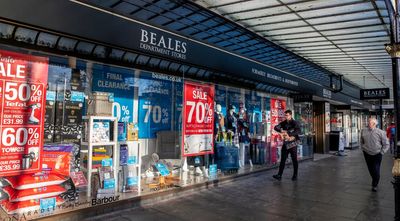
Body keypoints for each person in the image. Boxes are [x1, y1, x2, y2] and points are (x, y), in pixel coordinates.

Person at [361, 117, 389, 192]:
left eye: (370, 122)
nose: (368, 124)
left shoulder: (381, 132)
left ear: (374, 124)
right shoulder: (363, 130)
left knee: (376, 170)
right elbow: (362, 140)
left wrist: (382, 152)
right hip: (366, 153)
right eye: (368, 122)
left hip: (377, 154)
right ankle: (374, 180)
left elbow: (386, 144)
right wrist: (363, 148)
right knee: (370, 169)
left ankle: (375, 184)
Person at [272, 110, 301, 181]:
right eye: (285, 115)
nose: (286, 116)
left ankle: (295, 175)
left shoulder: (295, 123)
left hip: (293, 142)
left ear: (291, 115)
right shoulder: (284, 122)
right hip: (286, 143)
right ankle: (279, 175)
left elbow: (298, 131)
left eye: (287, 115)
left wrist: (288, 134)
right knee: (283, 159)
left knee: (294, 159)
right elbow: (276, 127)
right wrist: (281, 131)